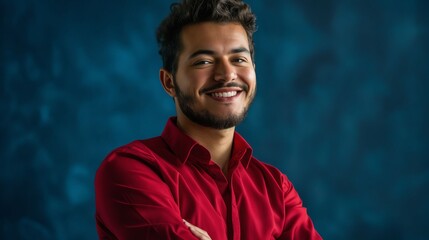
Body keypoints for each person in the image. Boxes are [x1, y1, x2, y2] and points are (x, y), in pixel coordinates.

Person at [95, 0, 322, 239]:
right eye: (204, 61)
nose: (226, 74)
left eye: (239, 59)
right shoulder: (130, 171)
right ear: (169, 82)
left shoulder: (277, 189)